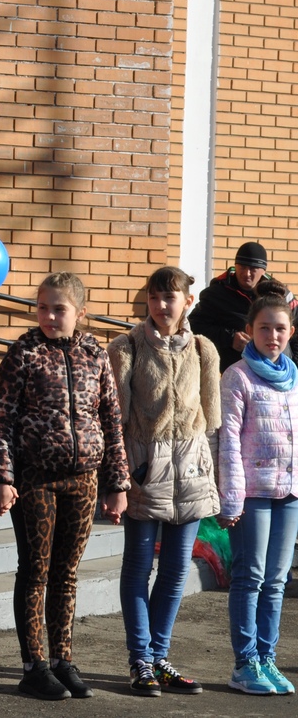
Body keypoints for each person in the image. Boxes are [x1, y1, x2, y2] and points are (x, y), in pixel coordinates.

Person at [0, 271, 129, 700]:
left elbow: (111, 421)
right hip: (36, 479)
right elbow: (2, 420)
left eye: (59, 309)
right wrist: (0, 477)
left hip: (83, 479)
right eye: (43, 307)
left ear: (80, 313)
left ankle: (63, 659)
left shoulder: (95, 355)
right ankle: (34, 665)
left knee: (67, 574)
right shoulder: (23, 353)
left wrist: (117, 482)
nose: (49, 316)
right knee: (35, 571)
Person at [108, 266, 219, 697]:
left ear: (187, 302)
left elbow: (212, 421)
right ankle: (140, 661)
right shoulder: (127, 347)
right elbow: (114, 420)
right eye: (154, 298)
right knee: (138, 567)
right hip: (144, 470)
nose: (161, 305)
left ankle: (160, 657)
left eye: (170, 297)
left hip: (190, 473)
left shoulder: (204, 350)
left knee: (175, 572)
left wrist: (216, 483)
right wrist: (117, 479)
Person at [216, 280, 298, 695]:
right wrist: (231, 497)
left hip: (290, 495)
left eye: (280, 328)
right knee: (250, 576)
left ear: (291, 332)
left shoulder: (294, 378)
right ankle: (244, 663)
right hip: (252, 494)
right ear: (250, 330)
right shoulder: (237, 377)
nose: (273, 336)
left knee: (278, 580)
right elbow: (227, 441)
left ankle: (267, 658)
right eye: (264, 328)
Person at [190, 242, 298, 371]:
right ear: (235, 265)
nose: (246, 273)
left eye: (253, 269)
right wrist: (230, 338)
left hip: (279, 374)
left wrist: (294, 367)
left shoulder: (282, 296)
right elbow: (194, 326)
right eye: (242, 267)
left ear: (263, 270)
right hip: (236, 371)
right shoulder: (215, 294)